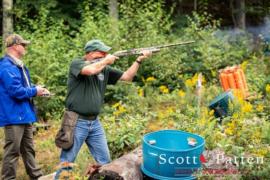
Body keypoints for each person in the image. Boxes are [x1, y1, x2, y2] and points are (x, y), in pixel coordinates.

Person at [57, 39, 151, 172]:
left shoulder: (104, 69)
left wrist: (139, 60)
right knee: (67, 161)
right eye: (101, 53)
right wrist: (106, 60)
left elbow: (127, 77)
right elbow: (89, 71)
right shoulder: (77, 63)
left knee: (105, 162)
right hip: (76, 121)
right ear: (90, 53)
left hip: (94, 122)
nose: (105, 55)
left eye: (105, 53)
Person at [0, 34, 50, 180]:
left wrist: (38, 88)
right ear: (15, 46)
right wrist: (35, 91)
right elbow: (15, 91)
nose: (25, 47)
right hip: (14, 116)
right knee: (13, 151)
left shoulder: (18, 65)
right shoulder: (6, 67)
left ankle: (37, 177)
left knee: (29, 149)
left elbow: (23, 86)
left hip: (24, 115)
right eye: (23, 45)